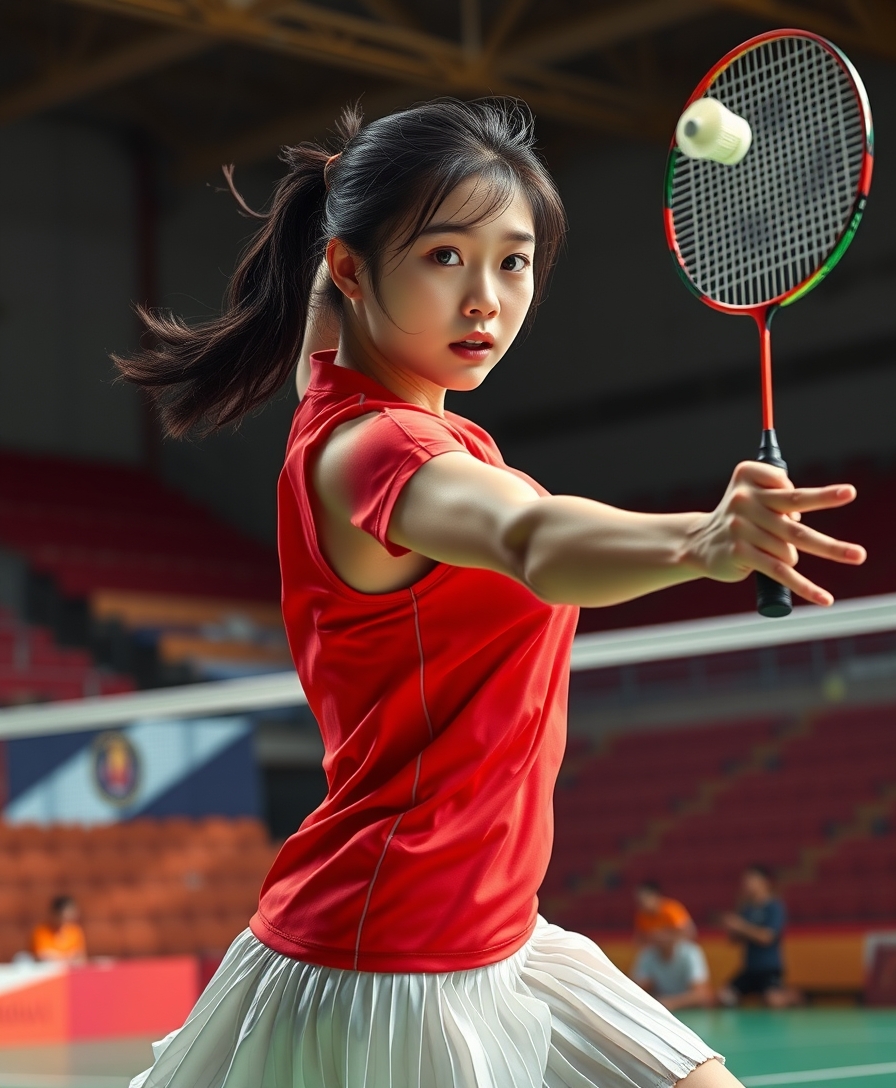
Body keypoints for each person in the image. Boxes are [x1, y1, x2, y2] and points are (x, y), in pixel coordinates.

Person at [116, 98, 862, 1088]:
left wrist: (358, 202)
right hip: (388, 963)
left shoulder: (334, 387)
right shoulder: (376, 448)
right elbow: (529, 534)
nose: (485, 302)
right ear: (350, 269)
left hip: (504, 934)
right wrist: (701, 537)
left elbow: (327, 318)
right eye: (443, 258)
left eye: (510, 261)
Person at [718, 864, 801, 1008]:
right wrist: (732, 928)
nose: (747, 885)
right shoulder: (747, 909)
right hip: (750, 969)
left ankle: (793, 996)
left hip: (769, 968)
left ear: (764, 882)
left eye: (751, 880)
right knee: (723, 997)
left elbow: (767, 937)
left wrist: (741, 926)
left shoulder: (774, 907)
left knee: (773, 1002)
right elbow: (734, 941)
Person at [632, 927, 713, 1011]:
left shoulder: (690, 952)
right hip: (659, 1013)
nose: (659, 934)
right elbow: (636, 991)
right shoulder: (647, 954)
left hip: (690, 1013)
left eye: (665, 929)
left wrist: (671, 1003)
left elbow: (702, 995)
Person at [634, 880, 697, 946]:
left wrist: (665, 937)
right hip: (656, 949)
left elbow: (689, 932)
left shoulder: (671, 909)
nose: (640, 904)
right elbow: (638, 939)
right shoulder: (641, 915)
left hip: (677, 946)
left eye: (644, 899)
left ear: (655, 896)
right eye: (638, 901)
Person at [30, 895, 87, 964]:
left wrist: (57, 956)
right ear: (54, 914)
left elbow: (81, 957)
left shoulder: (75, 931)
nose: (65, 922)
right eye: (63, 918)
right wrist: (67, 957)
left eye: (69, 918)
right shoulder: (41, 931)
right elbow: (42, 956)